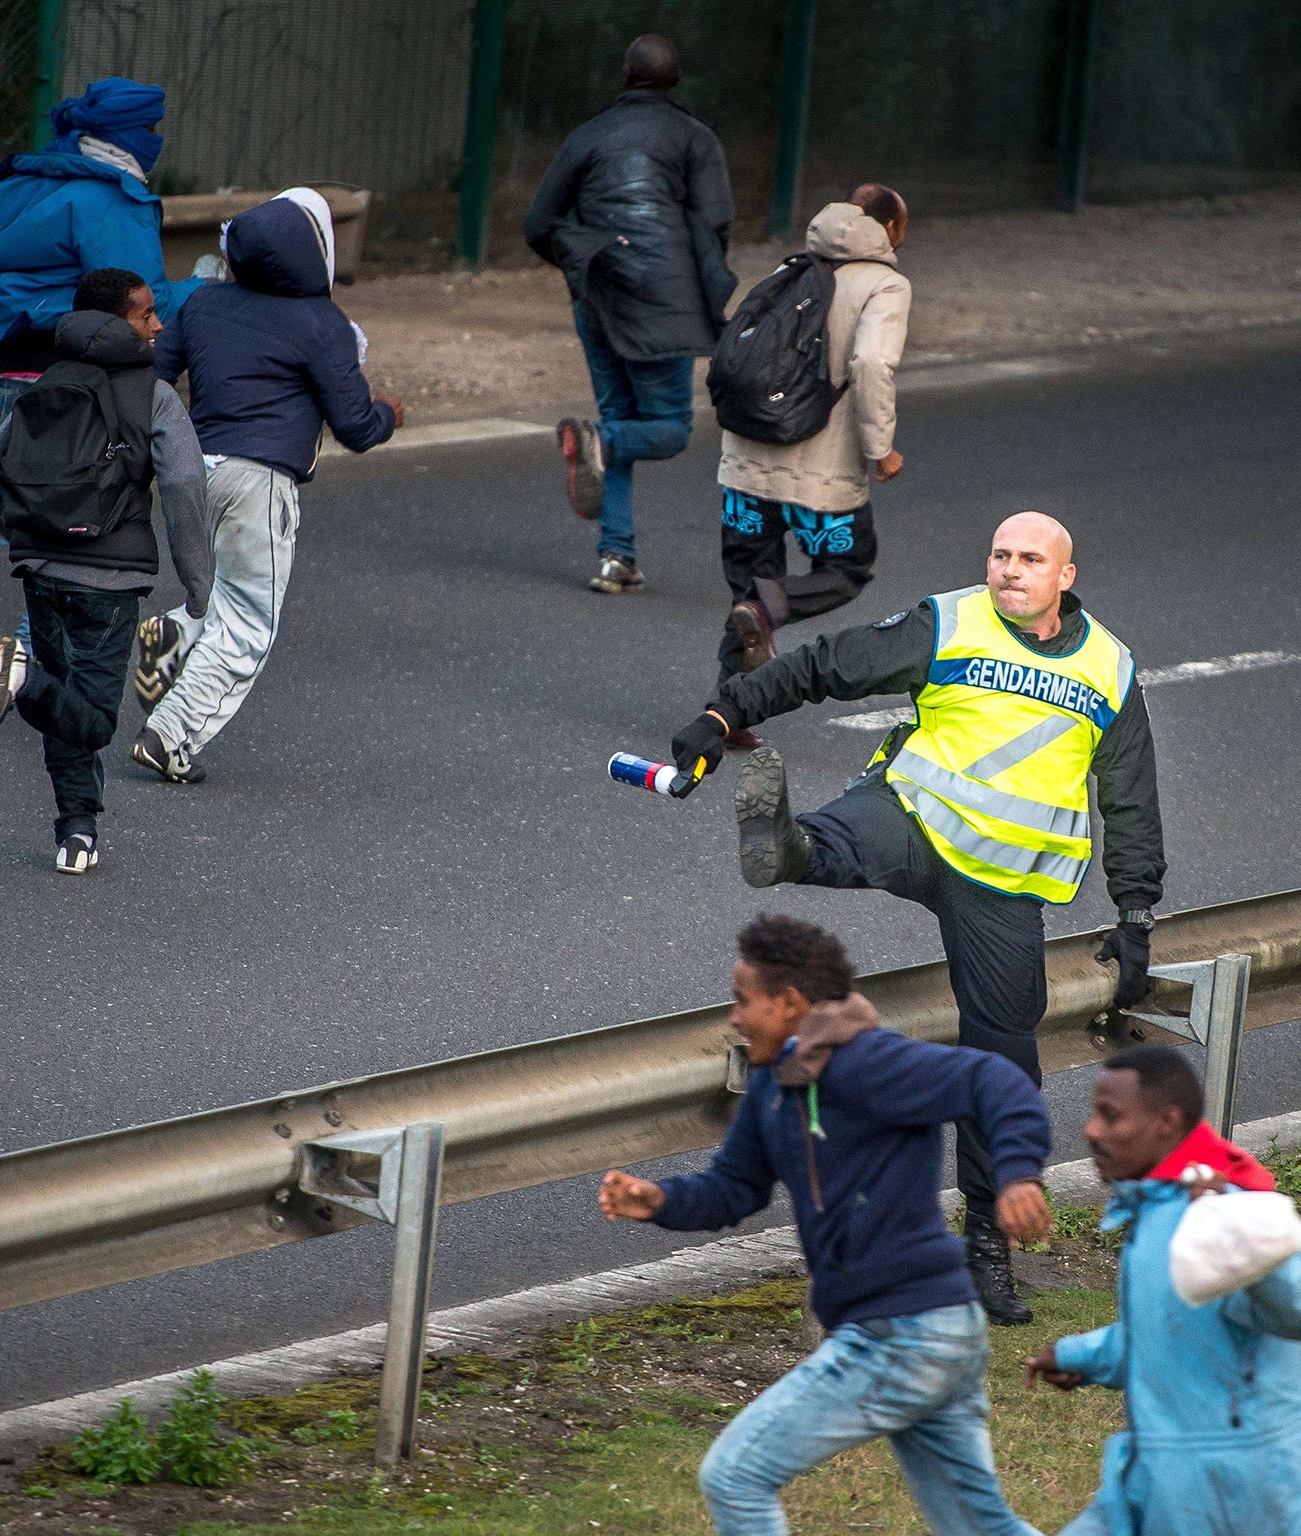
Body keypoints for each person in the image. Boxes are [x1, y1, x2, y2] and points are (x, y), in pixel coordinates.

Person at [665, 511, 1165, 1325]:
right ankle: (788, 848)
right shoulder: (952, 621)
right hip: (915, 820)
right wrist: (723, 718)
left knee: (1003, 1064)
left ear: (1064, 577)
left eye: (1029, 559)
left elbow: (1131, 799)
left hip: (1002, 886)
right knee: (833, 839)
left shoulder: (1110, 671)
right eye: (999, 554)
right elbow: (829, 665)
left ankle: (986, 1250)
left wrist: (1136, 911)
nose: (1008, 570)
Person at [599, 914, 1052, 1536]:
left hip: (904, 1332)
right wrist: (660, 1201)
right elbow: (735, 1187)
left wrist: (1018, 1175)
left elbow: (993, 1079)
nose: (733, 1018)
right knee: (979, 1527)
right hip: (935, 1329)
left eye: (742, 1002)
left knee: (734, 1477)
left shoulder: (867, 1063)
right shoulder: (773, 1089)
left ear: (788, 1004)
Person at [0, 76, 204, 727]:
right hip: (78, 373)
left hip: (13, 356)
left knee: (22, 481)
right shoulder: (111, 201)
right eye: (151, 130)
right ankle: (24, 652)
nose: (156, 141)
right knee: (77, 509)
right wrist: (204, 289)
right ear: (129, 134)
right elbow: (137, 299)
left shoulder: (37, 178)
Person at [125, 188, 401, 785]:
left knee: (221, 592)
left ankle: (180, 627)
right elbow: (354, 425)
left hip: (194, 473)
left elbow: (155, 378)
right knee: (250, 621)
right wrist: (388, 415)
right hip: (260, 481)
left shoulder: (202, 304)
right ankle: (169, 734)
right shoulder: (320, 322)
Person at [1025, 1046, 1301, 1536]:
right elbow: (1173, 1334)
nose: (1090, 1131)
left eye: (1110, 1116)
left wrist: (1243, 1240)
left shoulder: (1224, 1214)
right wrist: (1078, 1354)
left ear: (1166, 1123)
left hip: (1241, 1491)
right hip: (1159, 1476)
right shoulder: (1153, 1214)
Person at [0, 268, 212, 874]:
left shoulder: (44, 384)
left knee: (66, 698)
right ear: (114, 322)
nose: (158, 323)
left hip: (43, 573)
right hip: (109, 578)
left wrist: (30, 536)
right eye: (145, 313)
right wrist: (196, 579)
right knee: (98, 718)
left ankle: (76, 832)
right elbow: (184, 483)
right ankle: (22, 681)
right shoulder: (152, 394)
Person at [522, 33, 736, 595]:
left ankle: (617, 557)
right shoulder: (696, 137)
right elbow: (715, 224)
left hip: (597, 293)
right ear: (676, 79)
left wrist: (580, 261)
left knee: (616, 418)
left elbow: (537, 223)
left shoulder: (588, 135)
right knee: (667, 430)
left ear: (625, 73)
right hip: (662, 303)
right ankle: (601, 444)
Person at [717, 185, 912, 705]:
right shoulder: (884, 285)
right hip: (819, 479)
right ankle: (768, 609)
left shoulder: (791, 270)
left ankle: (727, 712)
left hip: (744, 467)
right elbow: (871, 365)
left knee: (748, 587)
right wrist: (880, 449)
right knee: (847, 568)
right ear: (891, 229)